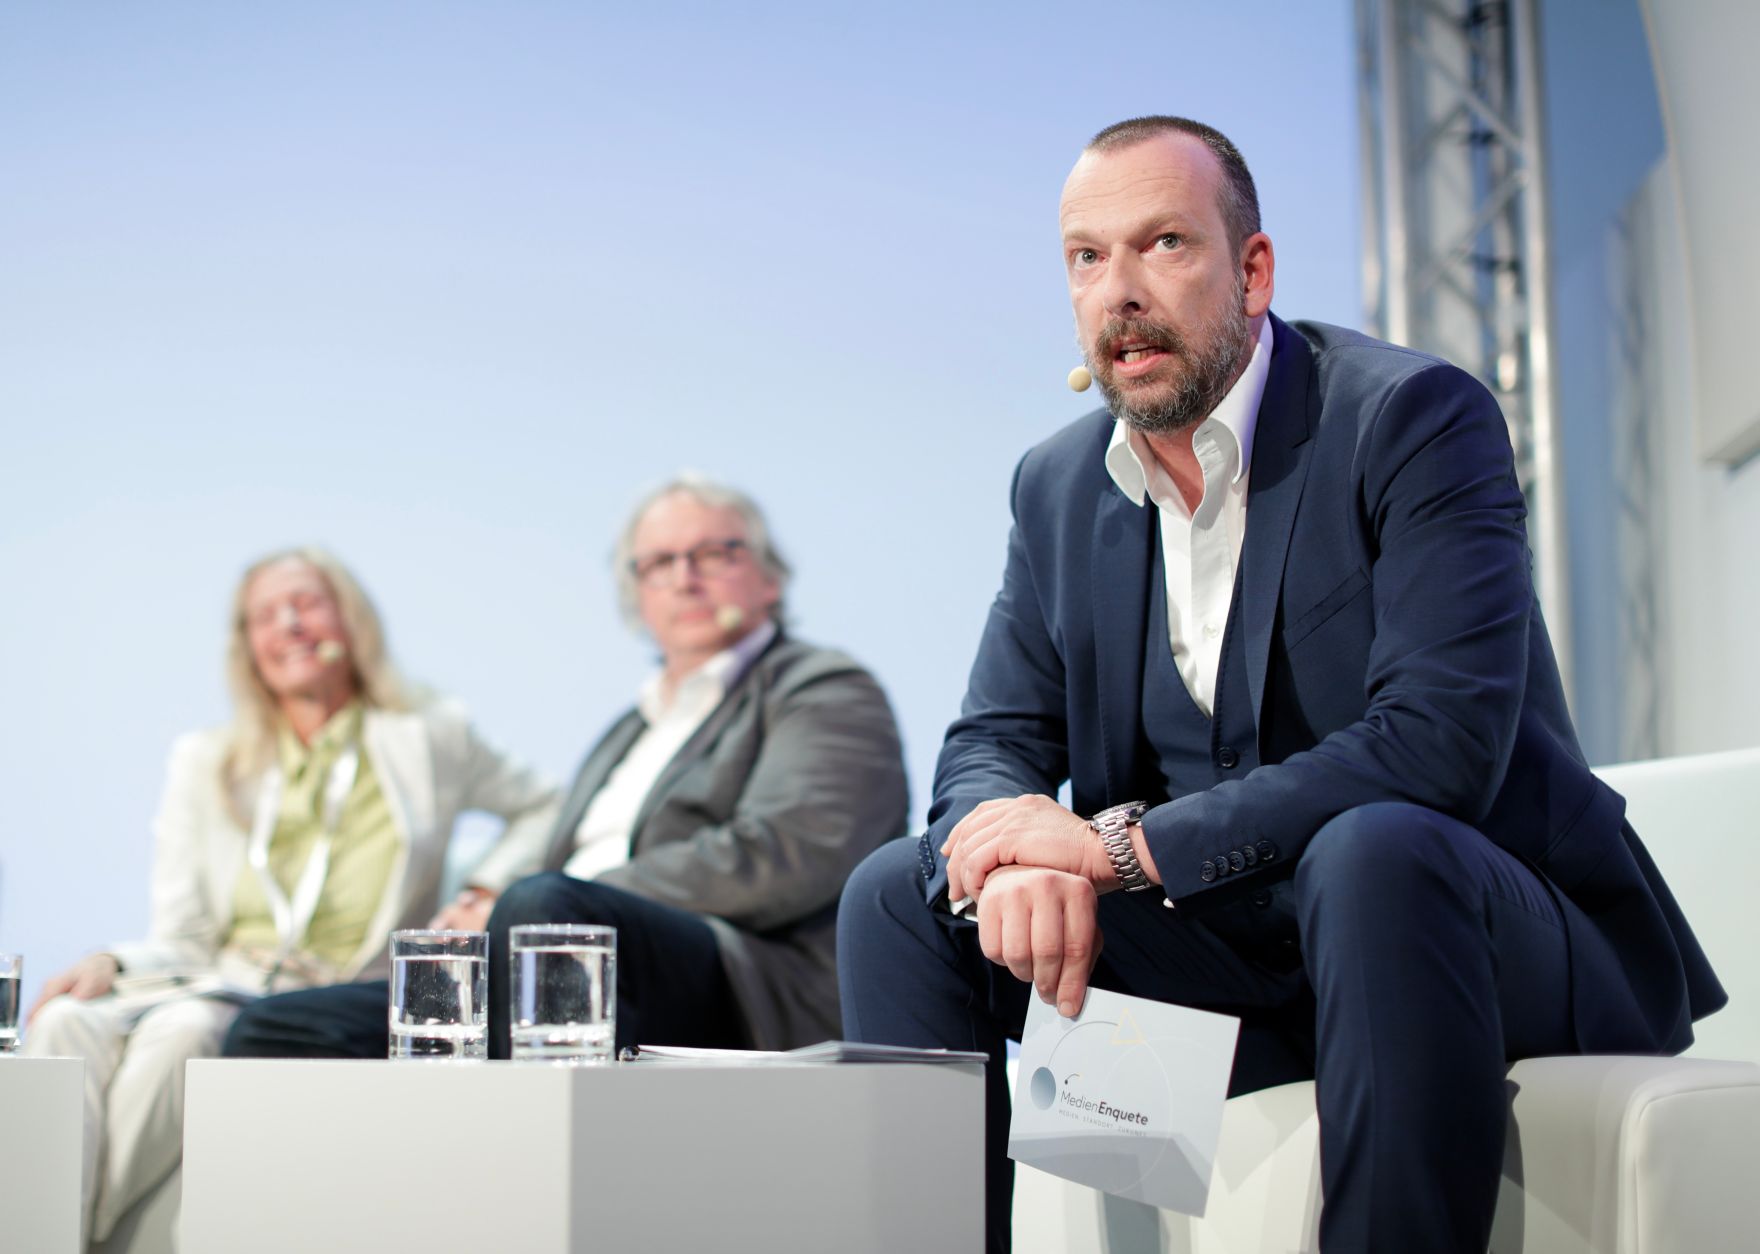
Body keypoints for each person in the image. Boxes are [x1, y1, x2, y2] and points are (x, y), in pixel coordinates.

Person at [836, 116, 1725, 1254]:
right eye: (1086, 258)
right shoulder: (1057, 485)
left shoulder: (1409, 419)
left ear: (1250, 271)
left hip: (1469, 933)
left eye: (1163, 244)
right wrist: (1000, 853)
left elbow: (1433, 747)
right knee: (897, 897)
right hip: (1237, 971)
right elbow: (992, 737)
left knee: (1371, 850)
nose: (1120, 291)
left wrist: (1110, 851)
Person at [224, 476, 909, 1061]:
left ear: (770, 578)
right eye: (658, 562)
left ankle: (516, 1177)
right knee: (277, 1028)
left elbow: (787, 851)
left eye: (714, 552)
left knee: (544, 912)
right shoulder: (630, 729)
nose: (684, 576)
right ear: (635, 595)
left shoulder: (822, 688)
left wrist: (557, 897)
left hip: (739, 982)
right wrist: (496, 900)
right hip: (561, 957)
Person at [23, 547, 558, 1245]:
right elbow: (183, 932)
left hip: (327, 992)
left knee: (179, 1035)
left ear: (350, 620)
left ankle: (66, 1239)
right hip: (222, 974)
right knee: (65, 1022)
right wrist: (117, 963)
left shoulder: (428, 737)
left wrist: (488, 886)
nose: (289, 626)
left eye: (305, 603)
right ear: (248, 649)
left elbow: (545, 804)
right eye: (264, 617)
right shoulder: (208, 761)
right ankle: (25, 1229)